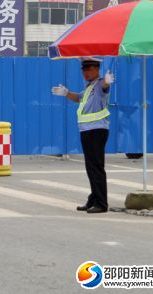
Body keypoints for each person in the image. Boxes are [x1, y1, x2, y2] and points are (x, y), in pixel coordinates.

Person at [51, 57, 114, 214]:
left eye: (88, 69)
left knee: (96, 167)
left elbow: (105, 87)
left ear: (96, 69)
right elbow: (78, 98)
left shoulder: (100, 84)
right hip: (87, 130)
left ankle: (101, 203)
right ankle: (94, 198)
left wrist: (107, 81)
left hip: (97, 130)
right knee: (90, 167)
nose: (85, 72)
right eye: (83, 70)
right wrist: (66, 93)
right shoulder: (89, 87)